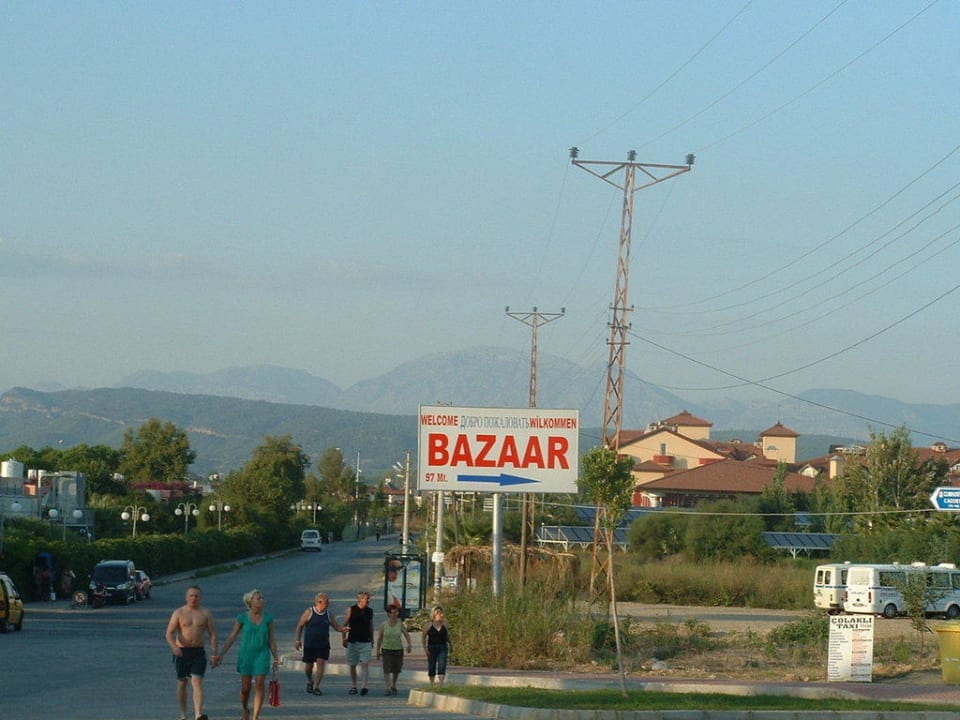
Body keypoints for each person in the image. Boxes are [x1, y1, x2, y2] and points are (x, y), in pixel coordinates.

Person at [213, 589, 280, 720]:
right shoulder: (242, 618)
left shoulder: (268, 619)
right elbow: (232, 637)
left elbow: (272, 639)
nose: (262, 600)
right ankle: (245, 709)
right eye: (258, 598)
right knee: (246, 688)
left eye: (262, 598)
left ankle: (256, 716)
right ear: (251, 601)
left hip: (262, 655)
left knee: (260, 684)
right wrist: (221, 655)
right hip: (246, 656)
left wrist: (276, 657)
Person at [165, 585, 218, 720]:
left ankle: (198, 714)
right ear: (186, 597)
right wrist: (174, 647)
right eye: (191, 595)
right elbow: (169, 633)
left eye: (196, 596)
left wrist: (214, 654)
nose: (194, 598)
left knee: (197, 682)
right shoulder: (179, 613)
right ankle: (183, 714)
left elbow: (213, 634)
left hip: (198, 651)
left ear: (200, 598)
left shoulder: (205, 614)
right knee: (182, 683)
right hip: (182, 652)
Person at [293, 592, 348, 695]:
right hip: (310, 644)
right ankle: (310, 681)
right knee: (308, 667)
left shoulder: (329, 614)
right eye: (327, 601)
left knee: (321, 664)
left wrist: (343, 629)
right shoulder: (309, 612)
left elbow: (336, 626)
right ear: (320, 602)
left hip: (323, 644)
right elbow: (300, 626)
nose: (328, 603)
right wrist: (298, 640)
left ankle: (316, 687)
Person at [375, 603, 412, 695]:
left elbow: (406, 635)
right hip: (386, 649)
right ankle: (388, 687)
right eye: (393, 612)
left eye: (396, 612)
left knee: (396, 669)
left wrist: (409, 644)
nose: (395, 614)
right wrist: (378, 650)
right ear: (389, 614)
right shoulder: (384, 625)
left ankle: (393, 684)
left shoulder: (400, 624)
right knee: (387, 669)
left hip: (398, 649)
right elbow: (380, 638)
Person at [343, 590, 374, 695]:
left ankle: (364, 686)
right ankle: (354, 686)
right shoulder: (351, 610)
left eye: (369, 598)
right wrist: (344, 638)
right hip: (353, 640)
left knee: (365, 663)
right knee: (352, 664)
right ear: (360, 599)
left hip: (365, 641)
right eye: (367, 598)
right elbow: (345, 624)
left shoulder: (370, 611)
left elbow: (370, 625)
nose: (369, 600)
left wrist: (372, 639)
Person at [421, 605, 451, 686]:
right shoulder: (428, 625)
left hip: (442, 647)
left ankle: (441, 684)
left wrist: (451, 644)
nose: (441, 615)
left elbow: (447, 636)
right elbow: (423, 638)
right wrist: (425, 649)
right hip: (432, 647)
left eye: (441, 613)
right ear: (434, 614)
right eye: (439, 613)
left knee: (442, 664)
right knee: (432, 665)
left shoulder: (445, 624)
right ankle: (432, 683)